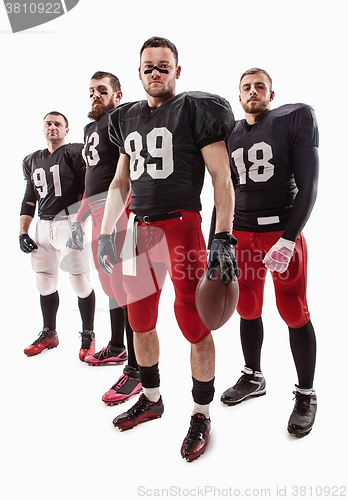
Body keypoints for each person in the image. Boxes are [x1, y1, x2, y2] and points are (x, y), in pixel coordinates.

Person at [97, 36, 237, 461]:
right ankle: (153, 398)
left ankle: (200, 413)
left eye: (164, 66)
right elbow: (120, 182)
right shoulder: (125, 118)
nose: (156, 72)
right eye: (148, 66)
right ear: (139, 71)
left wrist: (224, 234)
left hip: (182, 227)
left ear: (178, 70)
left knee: (194, 323)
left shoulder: (197, 109)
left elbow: (221, 178)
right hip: (140, 230)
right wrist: (107, 233)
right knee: (140, 321)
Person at [217, 68, 319, 437]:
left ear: (271, 94)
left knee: (293, 307)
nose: (253, 91)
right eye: (246, 87)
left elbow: (310, 184)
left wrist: (290, 238)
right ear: (239, 96)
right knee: (246, 306)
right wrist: (220, 237)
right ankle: (253, 376)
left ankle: (306, 394)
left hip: (280, 232)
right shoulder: (230, 132)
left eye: (260, 85)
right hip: (242, 233)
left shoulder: (294, 118)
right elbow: (223, 189)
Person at [66, 71, 141, 404]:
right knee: (111, 286)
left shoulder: (123, 119)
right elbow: (91, 180)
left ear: (118, 95)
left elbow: (127, 173)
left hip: (120, 209)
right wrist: (79, 218)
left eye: (102, 91)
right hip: (97, 212)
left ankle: (140, 371)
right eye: (92, 91)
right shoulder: (88, 129)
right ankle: (115, 346)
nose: (95, 96)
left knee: (130, 289)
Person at [20, 112, 96, 361]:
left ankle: (88, 334)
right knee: (43, 281)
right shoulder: (32, 160)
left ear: (66, 129)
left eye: (58, 124)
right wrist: (23, 231)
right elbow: (29, 198)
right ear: (43, 128)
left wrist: (81, 223)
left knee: (79, 280)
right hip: (43, 225)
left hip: (70, 221)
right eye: (48, 123)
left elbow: (88, 189)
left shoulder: (74, 153)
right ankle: (49, 332)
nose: (53, 127)